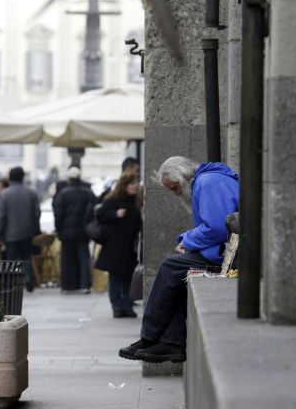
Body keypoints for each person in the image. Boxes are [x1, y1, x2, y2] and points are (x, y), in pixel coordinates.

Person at [119, 156, 239, 363]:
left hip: (229, 254)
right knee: (178, 270)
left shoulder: (207, 182)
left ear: (182, 178)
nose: (176, 194)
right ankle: (172, 343)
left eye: (174, 188)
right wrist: (188, 241)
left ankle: (150, 336)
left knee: (170, 267)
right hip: (224, 250)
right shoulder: (208, 181)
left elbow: (217, 228)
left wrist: (188, 240)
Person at [95, 172, 142, 317]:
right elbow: (100, 215)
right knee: (115, 277)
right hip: (114, 246)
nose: (135, 186)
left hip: (130, 246)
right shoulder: (114, 200)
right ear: (124, 185)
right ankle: (117, 306)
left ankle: (127, 306)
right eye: (132, 183)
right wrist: (115, 214)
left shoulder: (137, 201)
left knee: (128, 277)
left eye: (135, 183)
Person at [0, 167, 41, 290]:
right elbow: (36, 214)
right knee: (26, 257)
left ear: (10, 177)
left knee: (11, 260)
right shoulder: (32, 193)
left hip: (11, 234)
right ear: (23, 177)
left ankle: (11, 283)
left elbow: (1, 217)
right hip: (27, 232)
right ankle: (28, 279)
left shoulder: (4, 194)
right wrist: (36, 230)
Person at [53, 166, 96, 294]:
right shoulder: (88, 192)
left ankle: (67, 285)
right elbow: (92, 211)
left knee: (67, 259)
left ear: (69, 179)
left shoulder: (62, 193)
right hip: (83, 231)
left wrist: (58, 229)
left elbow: (58, 214)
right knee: (83, 258)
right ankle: (85, 285)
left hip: (66, 232)